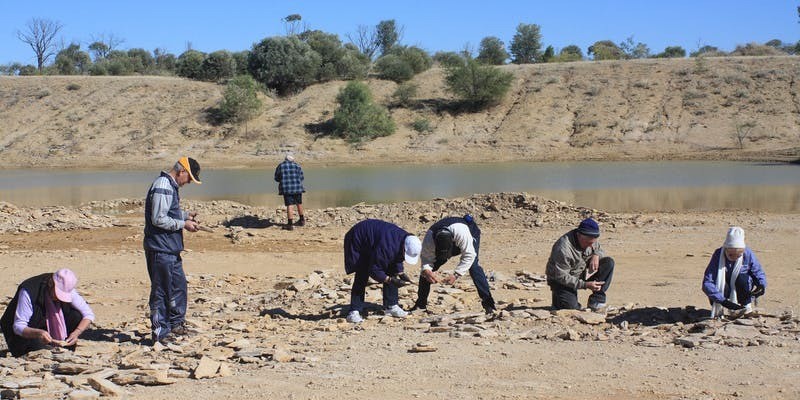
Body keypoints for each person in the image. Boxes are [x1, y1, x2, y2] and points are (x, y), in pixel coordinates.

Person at [144, 157, 201, 345]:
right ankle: (160, 331)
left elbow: (168, 212)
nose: (189, 182)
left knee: (178, 287)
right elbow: (158, 219)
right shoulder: (163, 186)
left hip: (170, 248)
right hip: (160, 247)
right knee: (161, 290)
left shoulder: (170, 186)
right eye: (190, 178)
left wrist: (184, 216)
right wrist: (183, 224)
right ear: (182, 171)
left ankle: (176, 324)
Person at [411, 215, 496, 315]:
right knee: (427, 272)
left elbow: (469, 255)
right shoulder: (429, 240)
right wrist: (427, 271)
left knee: (473, 266)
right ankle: (420, 304)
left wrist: (456, 275)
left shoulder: (462, 233)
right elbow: (426, 259)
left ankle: (489, 304)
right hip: (444, 241)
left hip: (469, 232)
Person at [1, 269, 95, 357]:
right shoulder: (29, 291)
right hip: (26, 333)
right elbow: (18, 326)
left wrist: (76, 333)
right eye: (58, 293)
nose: (59, 298)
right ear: (50, 283)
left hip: (44, 328)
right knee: (38, 349)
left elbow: (88, 314)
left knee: (76, 316)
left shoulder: (66, 286)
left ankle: (65, 349)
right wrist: (38, 333)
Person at [343, 219, 421, 323]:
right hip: (358, 240)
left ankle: (391, 306)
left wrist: (400, 272)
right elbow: (374, 269)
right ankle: (354, 311)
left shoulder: (404, 240)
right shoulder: (388, 246)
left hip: (375, 242)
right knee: (362, 272)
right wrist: (389, 280)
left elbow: (396, 257)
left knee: (392, 270)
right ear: (404, 248)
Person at [545, 218, 615, 311]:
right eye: (588, 243)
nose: (591, 246)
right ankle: (559, 298)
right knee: (571, 309)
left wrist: (596, 254)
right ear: (579, 235)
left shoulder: (589, 237)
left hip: (580, 272)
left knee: (608, 263)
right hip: (561, 281)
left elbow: (598, 248)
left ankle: (596, 301)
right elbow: (561, 276)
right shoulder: (563, 249)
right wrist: (585, 285)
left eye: (592, 243)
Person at [702, 227, 767, 318]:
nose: (735, 258)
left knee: (742, 278)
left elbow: (757, 271)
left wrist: (761, 285)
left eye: (738, 255)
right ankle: (722, 309)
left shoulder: (747, 254)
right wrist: (723, 301)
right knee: (719, 283)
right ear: (726, 249)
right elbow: (708, 282)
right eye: (731, 255)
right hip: (724, 289)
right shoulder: (718, 255)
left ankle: (746, 307)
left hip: (741, 288)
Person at [274, 153, 306, 230]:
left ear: (285, 159)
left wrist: (283, 180)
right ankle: (302, 221)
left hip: (287, 189)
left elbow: (276, 178)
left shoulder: (281, 166)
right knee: (299, 203)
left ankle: (290, 224)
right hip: (298, 188)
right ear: (293, 160)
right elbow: (302, 177)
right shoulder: (297, 166)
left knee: (290, 205)